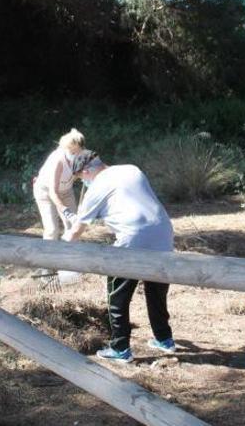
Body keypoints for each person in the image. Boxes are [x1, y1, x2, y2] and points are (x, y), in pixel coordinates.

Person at [62, 152, 175, 364]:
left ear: (86, 171)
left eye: (80, 178)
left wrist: (59, 250)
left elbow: (77, 229)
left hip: (134, 239)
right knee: (156, 290)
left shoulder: (96, 188)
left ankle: (120, 348)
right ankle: (164, 339)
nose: (82, 182)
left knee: (118, 294)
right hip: (164, 233)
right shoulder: (131, 169)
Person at [33, 128, 85, 240]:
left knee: (73, 227)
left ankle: (69, 255)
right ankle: (47, 255)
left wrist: (86, 177)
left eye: (78, 151)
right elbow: (53, 193)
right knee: (52, 229)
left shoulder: (83, 157)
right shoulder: (57, 161)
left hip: (66, 191)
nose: (76, 155)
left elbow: (85, 175)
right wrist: (66, 211)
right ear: (65, 149)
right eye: (72, 152)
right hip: (46, 192)